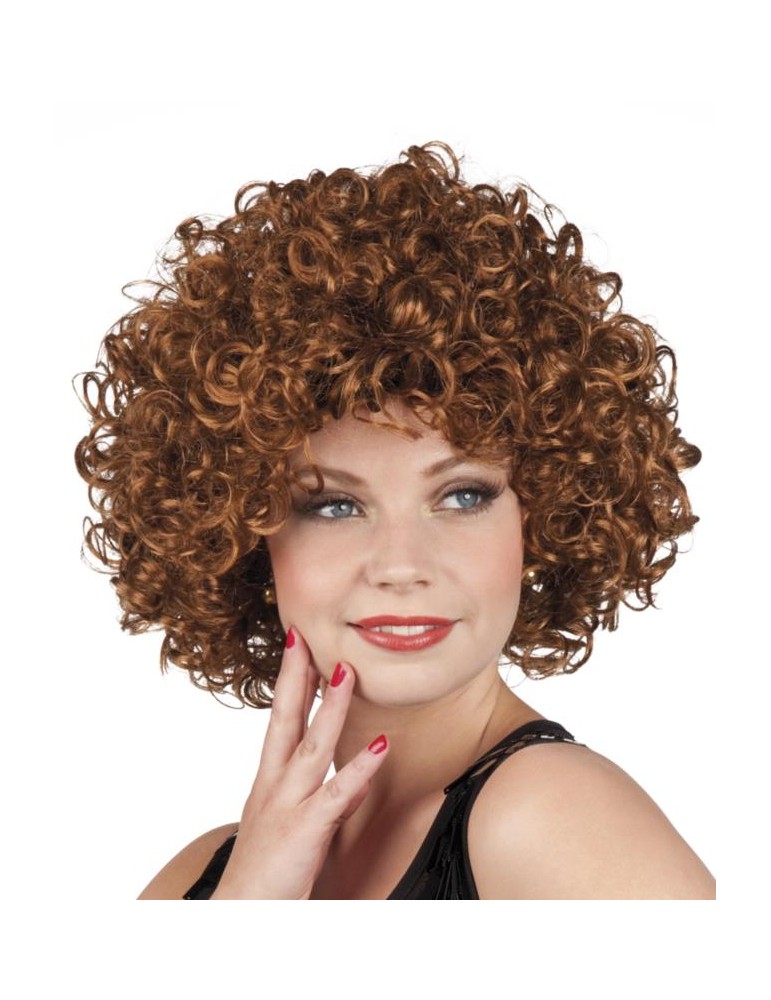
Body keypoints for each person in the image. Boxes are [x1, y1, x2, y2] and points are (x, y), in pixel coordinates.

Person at [75, 141, 715, 899]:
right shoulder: (205, 873)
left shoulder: (554, 818)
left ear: (544, 517)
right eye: (334, 505)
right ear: (243, 537)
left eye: (463, 496)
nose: (402, 565)